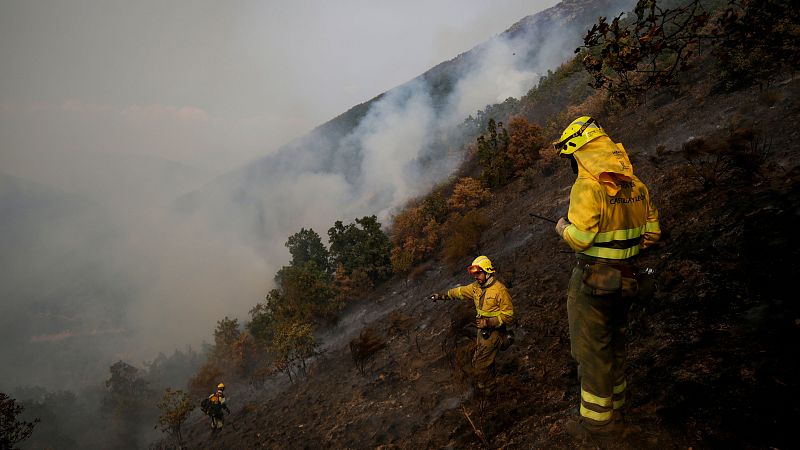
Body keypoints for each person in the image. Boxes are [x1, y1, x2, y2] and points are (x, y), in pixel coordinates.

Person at [552, 116, 661, 440]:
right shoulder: (636, 185)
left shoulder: (588, 187)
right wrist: (623, 248)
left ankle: (598, 425)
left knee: (591, 352)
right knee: (615, 344)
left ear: (580, 153)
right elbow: (652, 233)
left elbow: (581, 238)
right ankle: (618, 408)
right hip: (627, 281)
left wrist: (562, 228)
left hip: (593, 284)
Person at [430, 255, 515, 397]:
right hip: (482, 332)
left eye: (479, 273)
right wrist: (441, 296)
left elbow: (509, 315)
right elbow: (459, 292)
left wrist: (488, 322)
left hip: (494, 332)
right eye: (474, 274)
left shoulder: (499, 290)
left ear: (488, 272)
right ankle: (492, 382)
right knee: (484, 360)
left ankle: (488, 392)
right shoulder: (476, 288)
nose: (476, 277)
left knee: (479, 364)